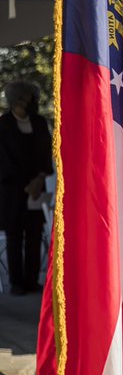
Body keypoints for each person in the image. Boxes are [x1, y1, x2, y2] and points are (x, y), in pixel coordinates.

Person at [0, 81, 52, 295]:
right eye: (29, 98)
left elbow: (46, 151)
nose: (33, 103)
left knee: (34, 233)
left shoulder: (39, 123)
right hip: (12, 190)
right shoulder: (3, 125)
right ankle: (16, 282)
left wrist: (39, 178)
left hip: (36, 188)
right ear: (18, 100)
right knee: (14, 235)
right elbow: (3, 159)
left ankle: (32, 280)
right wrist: (25, 184)